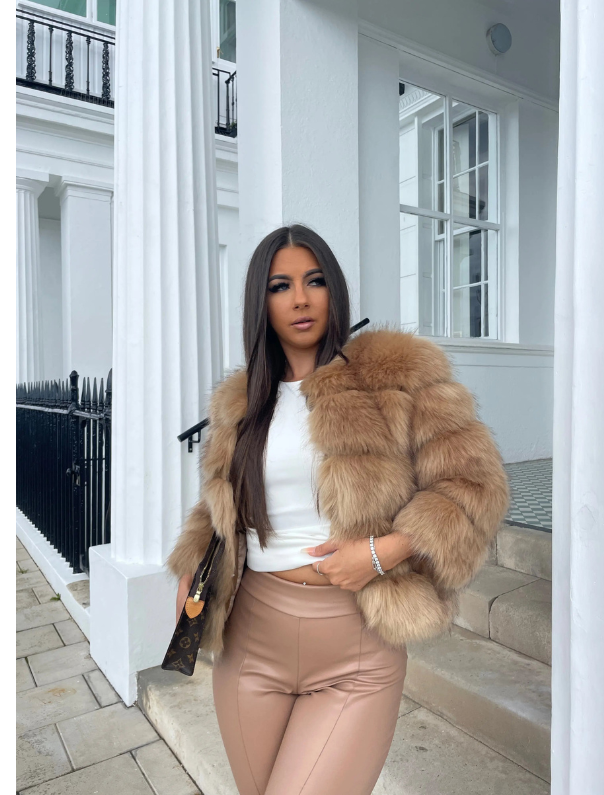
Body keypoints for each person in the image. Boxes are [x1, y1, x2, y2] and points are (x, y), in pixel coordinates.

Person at [166, 224, 510, 795]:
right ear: (260, 303)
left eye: (315, 281)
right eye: (280, 286)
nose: (300, 299)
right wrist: (191, 569)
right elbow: (222, 506)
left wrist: (381, 552)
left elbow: (475, 485)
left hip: (355, 644)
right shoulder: (240, 402)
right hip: (251, 642)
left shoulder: (396, 373)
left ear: (335, 289)